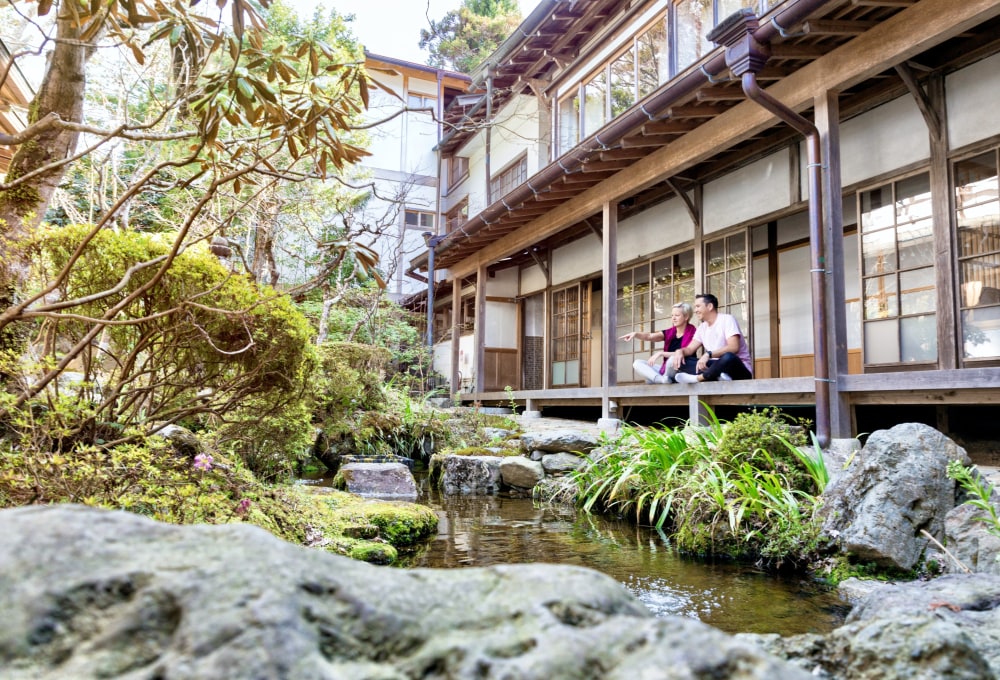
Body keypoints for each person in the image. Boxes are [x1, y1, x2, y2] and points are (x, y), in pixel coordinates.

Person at [672, 293, 753, 383]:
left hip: (737, 369)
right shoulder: (702, 328)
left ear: (710, 306)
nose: (695, 310)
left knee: (728, 357)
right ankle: (717, 375)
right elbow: (690, 349)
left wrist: (708, 354)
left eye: (698, 306)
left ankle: (699, 378)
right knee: (680, 360)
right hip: (714, 366)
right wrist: (680, 351)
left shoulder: (727, 319)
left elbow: (734, 347)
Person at [619, 302, 698, 384]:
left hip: (681, 368)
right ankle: (661, 379)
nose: (673, 318)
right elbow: (649, 336)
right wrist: (635, 334)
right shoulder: (669, 332)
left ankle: (658, 379)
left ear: (686, 317)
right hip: (666, 369)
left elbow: (682, 353)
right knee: (637, 363)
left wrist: (661, 353)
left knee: (672, 359)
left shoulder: (694, 333)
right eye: (672, 315)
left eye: (677, 315)